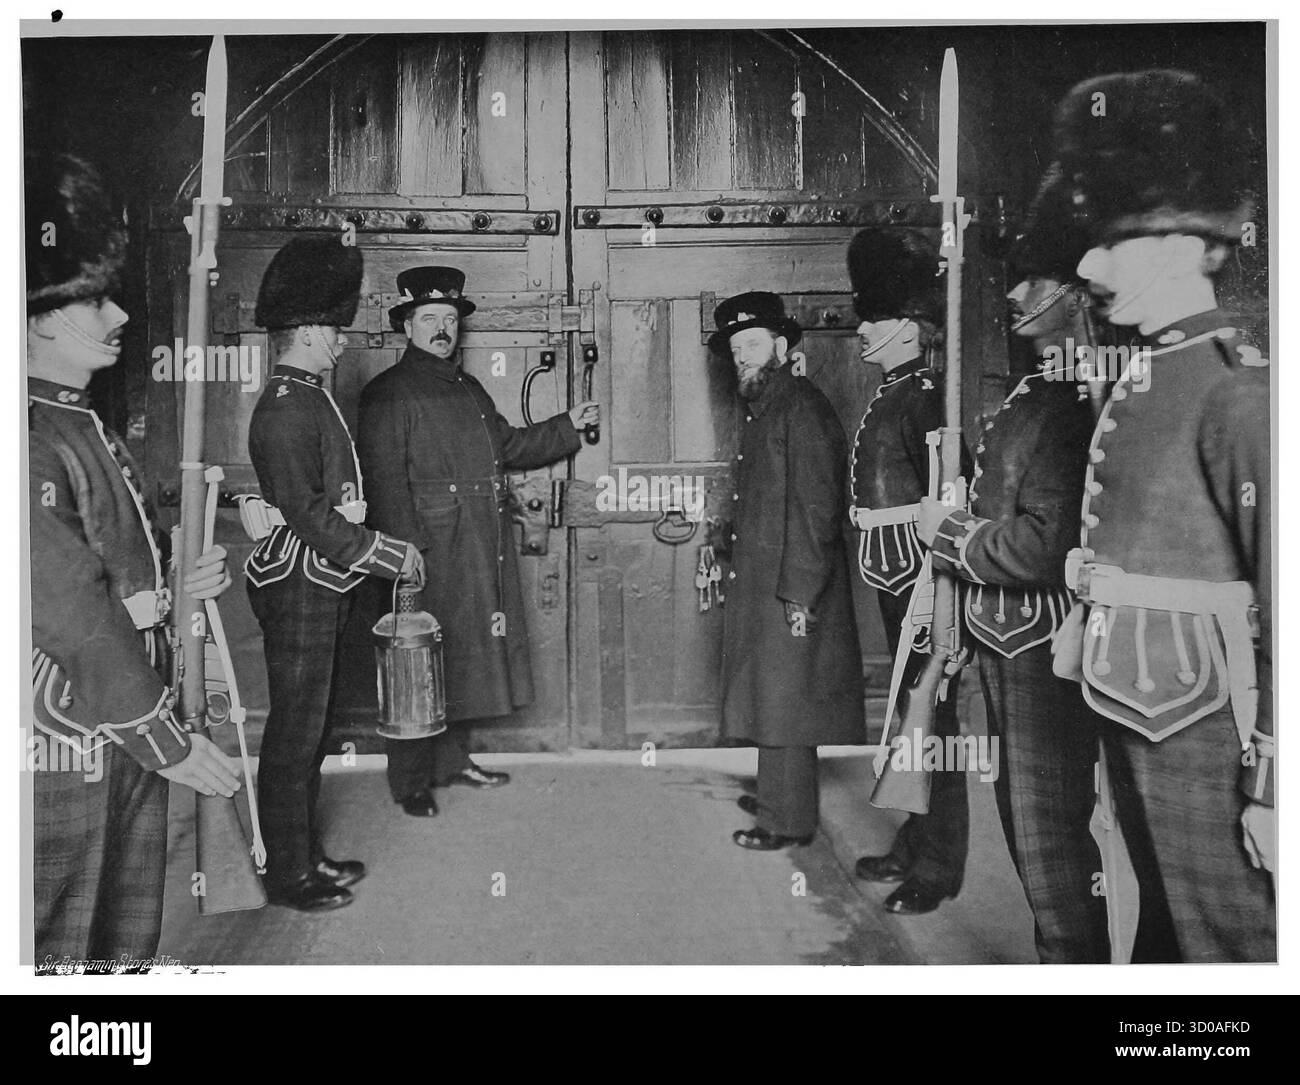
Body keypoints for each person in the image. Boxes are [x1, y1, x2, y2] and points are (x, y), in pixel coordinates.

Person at [1051, 70, 1274, 961]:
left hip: (1212, 731)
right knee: (1165, 943)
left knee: (1230, 949)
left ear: (1189, 243)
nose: (1086, 266)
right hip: (1139, 702)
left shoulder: (1237, 388)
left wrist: (1274, 783)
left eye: (1113, 244)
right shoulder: (1151, 367)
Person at [27, 152, 239, 966]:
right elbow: (70, 608)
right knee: (58, 939)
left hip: (117, 714)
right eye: (93, 298)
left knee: (121, 936)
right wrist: (167, 738)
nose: (118, 315)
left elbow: (113, 572)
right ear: (37, 313)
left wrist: (177, 589)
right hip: (68, 731)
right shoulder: (31, 435)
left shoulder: (77, 418)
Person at [916, 173, 1109, 962]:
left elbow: (1039, 546)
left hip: (1037, 647)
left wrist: (953, 531)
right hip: (1002, 640)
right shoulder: (1037, 390)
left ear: (1068, 295)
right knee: (1026, 827)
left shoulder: (1070, 403)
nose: (1014, 295)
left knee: (1048, 836)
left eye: (1031, 280)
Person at [358, 267, 598, 816]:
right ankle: (410, 781)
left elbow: (509, 445)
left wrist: (568, 424)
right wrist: (404, 557)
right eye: (429, 319)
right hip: (426, 551)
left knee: (460, 656)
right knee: (414, 659)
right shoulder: (386, 393)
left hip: (474, 544)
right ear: (407, 326)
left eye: (449, 319)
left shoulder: (468, 387)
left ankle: (451, 760)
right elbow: (386, 482)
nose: (442, 329)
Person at [245, 237, 424, 911]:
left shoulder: (305, 395)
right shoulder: (289, 406)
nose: (344, 341)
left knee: (312, 729)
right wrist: (388, 552)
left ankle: (305, 855)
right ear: (315, 331)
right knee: (295, 732)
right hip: (300, 587)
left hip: (320, 584)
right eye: (337, 330)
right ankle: (287, 873)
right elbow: (315, 518)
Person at [711, 292, 866, 850]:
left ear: (781, 346)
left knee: (786, 700)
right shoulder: (771, 406)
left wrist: (800, 593)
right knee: (775, 694)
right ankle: (781, 793)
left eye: (752, 345)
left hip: (792, 584)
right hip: (767, 579)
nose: (743, 358)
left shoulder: (799, 407)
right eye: (735, 350)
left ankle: (787, 821)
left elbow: (815, 509)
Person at [846, 227, 970, 914]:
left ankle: (939, 864)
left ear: (912, 328)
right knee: (910, 713)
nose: (862, 327)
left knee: (936, 718)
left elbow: (952, 493)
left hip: (925, 583)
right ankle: (918, 835)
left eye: (876, 317)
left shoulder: (925, 395)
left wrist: (943, 586)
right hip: (895, 578)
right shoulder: (897, 388)